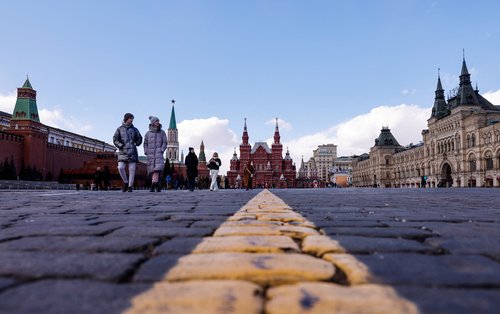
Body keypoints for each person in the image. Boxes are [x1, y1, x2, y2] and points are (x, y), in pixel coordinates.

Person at [113, 113, 143, 192]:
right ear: (126, 119)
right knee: (120, 167)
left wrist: (137, 143)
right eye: (130, 118)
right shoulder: (119, 129)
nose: (132, 120)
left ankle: (130, 186)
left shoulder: (135, 129)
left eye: (132, 119)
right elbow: (115, 139)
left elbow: (140, 138)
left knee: (132, 169)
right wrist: (120, 145)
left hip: (132, 151)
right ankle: (125, 182)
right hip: (123, 152)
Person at [143, 116, 167, 192]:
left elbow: (165, 142)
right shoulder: (148, 133)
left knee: (156, 170)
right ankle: (157, 185)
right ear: (153, 123)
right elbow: (145, 143)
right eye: (156, 121)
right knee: (152, 170)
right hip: (150, 154)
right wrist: (146, 151)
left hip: (158, 154)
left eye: (158, 121)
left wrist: (162, 150)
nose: (158, 122)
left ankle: (153, 185)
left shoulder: (162, 132)